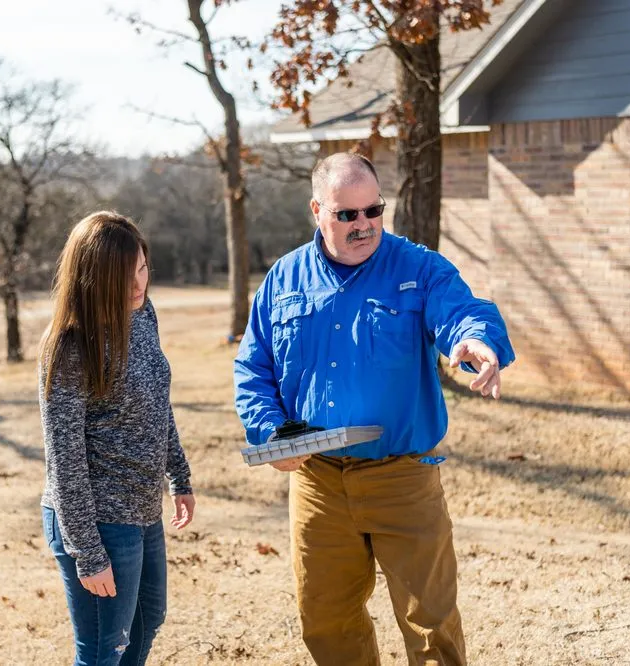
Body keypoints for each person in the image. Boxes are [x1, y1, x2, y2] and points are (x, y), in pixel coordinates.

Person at [233, 153, 515, 666]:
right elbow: (254, 367)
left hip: (402, 477)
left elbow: (461, 310)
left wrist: (474, 340)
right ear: (317, 210)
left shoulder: (419, 268)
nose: (364, 225)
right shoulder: (284, 279)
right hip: (317, 481)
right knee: (326, 621)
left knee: (432, 624)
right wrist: (271, 430)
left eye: (373, 210)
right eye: (348, 215)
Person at [38, 211, 195, 666]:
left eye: (142, 268)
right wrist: (87, 551)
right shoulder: (70, 346)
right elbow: (64, 459)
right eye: (122, 277)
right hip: (98, 522)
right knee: (106, 650)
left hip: (142, 510)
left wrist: (178, 476)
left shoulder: (143, 316)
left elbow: (157, 403)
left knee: (150, 619)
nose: (137, 284)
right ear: (91, 278)